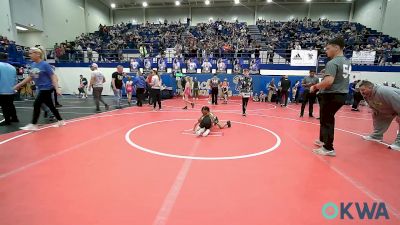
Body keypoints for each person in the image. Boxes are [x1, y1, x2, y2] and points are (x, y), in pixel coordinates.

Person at [310, 37, 351, 156]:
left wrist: (315, 86)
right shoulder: (346, 61)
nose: (326, 51)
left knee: (327, 120)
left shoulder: (333, 62)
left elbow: (328, 82)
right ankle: (323, 140)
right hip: (341, 93)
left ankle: (328, 148)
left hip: (331, 94)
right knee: (324, 118)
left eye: (328, 48)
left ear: (337, 47)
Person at [14, 47, 65, 131]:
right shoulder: (33, 65)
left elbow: (53, 76)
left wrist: (57, 88)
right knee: (51, 106)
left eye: (31, 53)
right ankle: (61, 120)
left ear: (38, 54)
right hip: (41, 88)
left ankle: (34, 124)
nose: (29, 55)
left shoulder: (45, 64)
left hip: (47, 88)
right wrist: (19, 85)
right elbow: (31, 77)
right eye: (29, 53)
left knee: (36, 104)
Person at [358, 80, 400, 151]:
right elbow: (370, 102)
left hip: (398, 104)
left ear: (370, 87)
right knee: (378, 115)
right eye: (360, 90)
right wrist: (374, 109)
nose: (361, 92)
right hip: (390, 107)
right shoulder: (366, 95)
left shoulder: (384, 92)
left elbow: (398, 101)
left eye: (363, 90)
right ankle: (377, 136)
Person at [0, 55, 19, 126]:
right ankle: (14, 118)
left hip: (1, 90)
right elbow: (15, 79)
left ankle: (7, 121)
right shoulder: (13, 67)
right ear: (7, 58)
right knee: (10, 104)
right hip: (11, 90)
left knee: (4, 106)